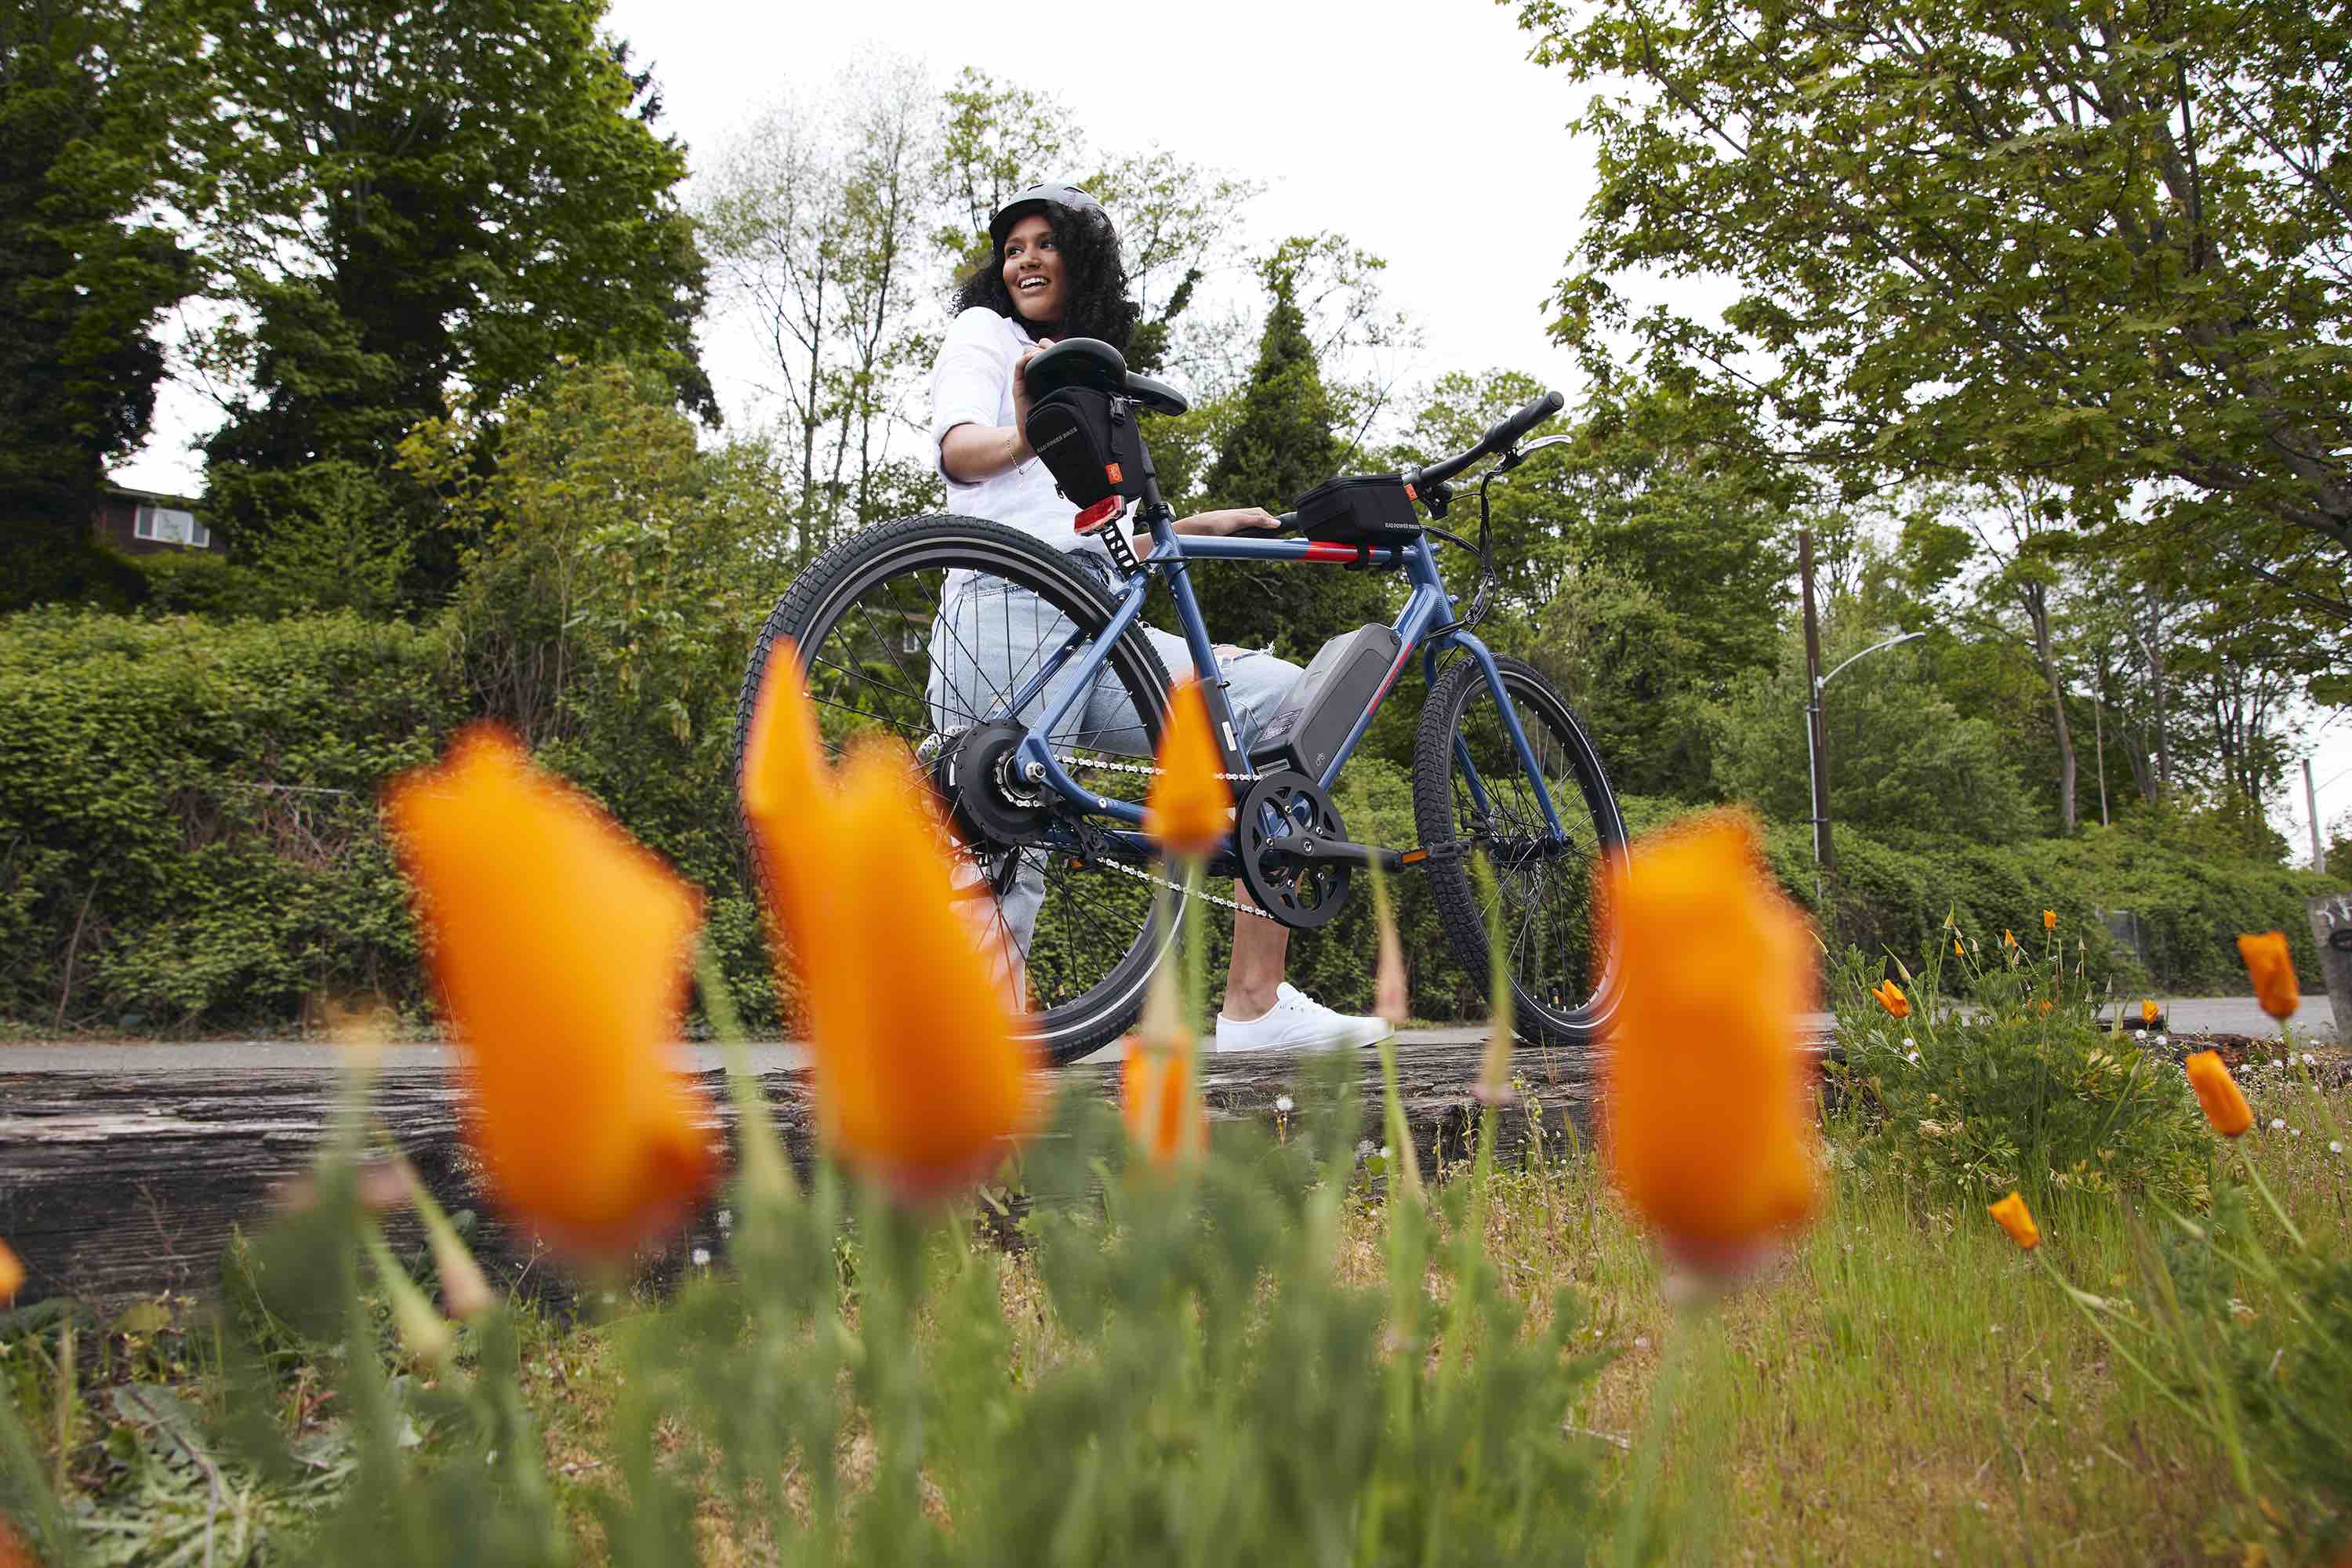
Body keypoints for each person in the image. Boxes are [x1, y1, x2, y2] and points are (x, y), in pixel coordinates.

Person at [927, 181, 1389, 1053]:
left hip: (1105, 627)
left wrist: (1202, 524)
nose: (1024, 258)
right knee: (1001, 852)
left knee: (1287, 708)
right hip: (1005, 611)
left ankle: (1256, 1000)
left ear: (1082, 260)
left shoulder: (1092, 376)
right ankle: (962, 1065)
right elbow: (960, 450)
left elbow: (1097, 530)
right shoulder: (986, 335)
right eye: (1013, 246)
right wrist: (1025, 433)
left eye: (1045, 243)